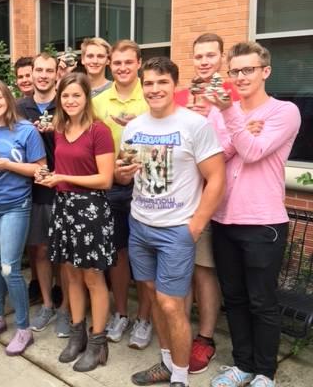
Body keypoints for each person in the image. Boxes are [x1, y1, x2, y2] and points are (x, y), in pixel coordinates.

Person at [119, 57, 225, 387]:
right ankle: (166, 363)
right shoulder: (134, 127)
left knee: (171, 304)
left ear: (174, 85)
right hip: (140, 225)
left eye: (161, 82)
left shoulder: (194, 125)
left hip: (176, 230)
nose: (154, 89)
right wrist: (122, 175)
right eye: (148, 83)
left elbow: (217, 177)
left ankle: (181, 377)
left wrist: (194, 227)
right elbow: (126, 173)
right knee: (152, 297)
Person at [206, 42, 300, 387]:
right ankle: (243, 364)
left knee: (262, 301)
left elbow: (256, 152)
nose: (241, 77)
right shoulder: (219, 113)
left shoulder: (284, 112)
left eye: (248, 70)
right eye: (235, 71)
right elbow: (214, 158)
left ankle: (265, 372)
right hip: (223, 219)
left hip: (262, 223)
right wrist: (242, 130)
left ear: (265, 71)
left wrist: (233, 120)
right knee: (235, 298)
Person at [38, 72, 115, 372]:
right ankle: (77, 334)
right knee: (70, 275)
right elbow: (59, 167)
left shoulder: (99, 131)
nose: (70, 101)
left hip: (91, 210)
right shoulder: (59, 129)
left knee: (93, 278)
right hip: (64, 208)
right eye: (65, 96)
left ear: (87, 98)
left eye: (76, 95)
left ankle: (98, 343)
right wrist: (48, 176)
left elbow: (105, 179)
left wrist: (62, 177)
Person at [174, 33, 240, 374]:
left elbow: (233, 146)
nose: (203, 61)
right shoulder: (181, 95)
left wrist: (204, 127)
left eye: (210, 55)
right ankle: (179, 330)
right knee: (179, 271)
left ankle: (205, 337)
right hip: (176, 198)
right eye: (198, 55)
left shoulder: (231, 96)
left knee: (203, 270)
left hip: (210, 198)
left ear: (221, 57)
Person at [0, 81, 46, 356]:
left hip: (16, 205)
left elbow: (41, 171)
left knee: (9, 268)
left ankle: (24, 328)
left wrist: (6, 164)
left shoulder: (26, 130)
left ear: (8, 99)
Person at [92, 40, 153, 349]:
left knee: (144, 256)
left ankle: (144, 318)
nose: (123, 67)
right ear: (109, 65)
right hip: (114, 185)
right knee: (118, 254)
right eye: (117, 63)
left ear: (139, 63)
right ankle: (121, 313)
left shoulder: (152, 95)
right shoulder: (99, 101)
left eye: (129, 62)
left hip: (150, 187)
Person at [17, 53, 70, 337]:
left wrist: (57, 129)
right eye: (39, 70)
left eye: (49, 70)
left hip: (63, 186)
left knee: (61, 251)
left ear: (56, 74)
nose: (43, 75)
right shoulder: (19, 107)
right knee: (39, 248)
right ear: (32, 72)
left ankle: (64, 309)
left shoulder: (66, 103)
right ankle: (47, 304)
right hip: (33, 189)